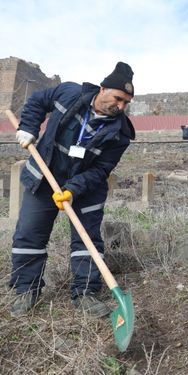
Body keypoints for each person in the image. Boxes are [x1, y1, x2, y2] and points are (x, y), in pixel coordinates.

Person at [9, 62, 136, 319]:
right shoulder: (69, 94)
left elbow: (101, 170)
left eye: (127, 102)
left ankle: (85, 294)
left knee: (87, 241)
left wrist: (72, 189)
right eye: (118, 98)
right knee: (29, 236)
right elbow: (37, 101)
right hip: (44, 178)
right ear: (102, 89)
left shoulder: (120, 133)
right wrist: (29, 128)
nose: (121, 107)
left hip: (86, 189)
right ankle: (26, 290)